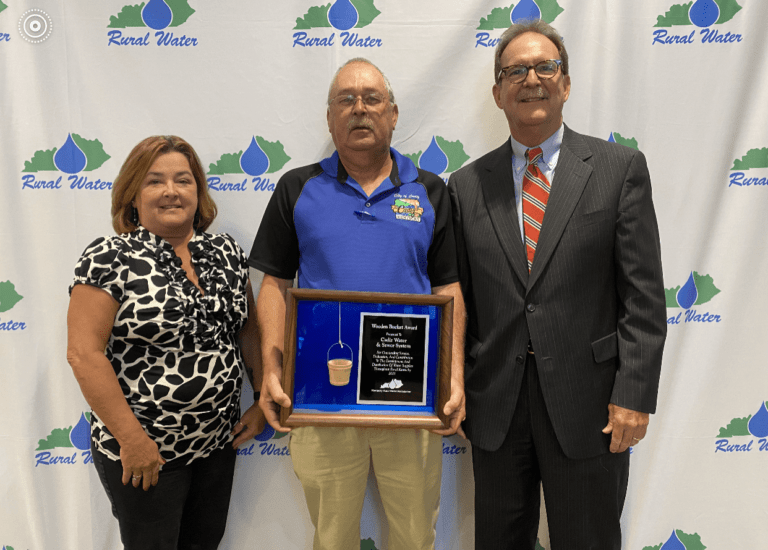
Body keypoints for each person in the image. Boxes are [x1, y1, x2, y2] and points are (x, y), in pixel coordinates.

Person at [447, 20, 667, 550]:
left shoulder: (618, 169)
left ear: (566, 84)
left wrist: (633, 396)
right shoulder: (465, 186)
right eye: (515, 71)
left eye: (546, 67)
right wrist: (451, 385)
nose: (531, 79)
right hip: (496, 408)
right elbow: (459, 301)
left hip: (590, 408)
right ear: (497, 93)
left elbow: (643, 296)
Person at [249, 57, 466, 550]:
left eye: (372, 99)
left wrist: (452, 377)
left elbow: (448, 292)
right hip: (319, 397)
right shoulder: (296, 187)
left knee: (415, 537)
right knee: (331, 538)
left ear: (393, 114)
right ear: (329, 118)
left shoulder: (431, 190)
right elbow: (274, 285)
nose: (359, 109)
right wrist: (272, 369)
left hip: (411, 398)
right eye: (345, 99)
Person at [66, 135, 265, 550]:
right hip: (147, 454)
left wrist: (262, 397)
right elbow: (84, 353)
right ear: (133, 197)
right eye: (155, 181)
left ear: (199, 192)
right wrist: (133, 441)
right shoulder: (109, 256)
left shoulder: (226, 251)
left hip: (216, 443)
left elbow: (247, 330)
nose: (171, 191)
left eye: (183, 180)